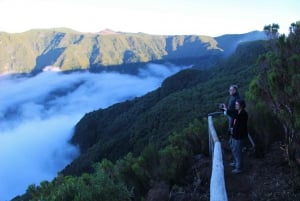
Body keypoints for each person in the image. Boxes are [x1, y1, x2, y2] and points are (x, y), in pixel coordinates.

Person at [222, 99, 248, 174]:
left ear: (241, 106)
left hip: (239, 136)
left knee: (238, 152)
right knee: (234, 149)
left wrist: (226, 109)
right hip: (235, 135)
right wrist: (225, 109)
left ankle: (239, 168)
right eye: (235, 104)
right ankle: (235, 162)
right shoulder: (237, 111)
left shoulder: (243, 114)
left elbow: (235, 115)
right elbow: (233, 113)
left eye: (237, 104)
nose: (235, 105)